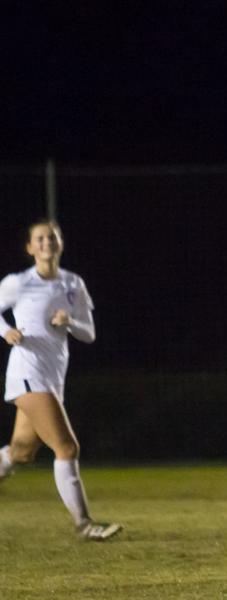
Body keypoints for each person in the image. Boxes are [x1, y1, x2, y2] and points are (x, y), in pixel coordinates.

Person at [0, 219, 121, 540]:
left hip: (53, 377)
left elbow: (89, 334)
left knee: (21, 452)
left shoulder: (73, 284)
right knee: (66, 447)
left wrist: (70, 321)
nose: (46, 243)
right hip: (27, 372)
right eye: (39, 239)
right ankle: (85, 525)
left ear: (61, 243)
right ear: (29, 248)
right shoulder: (19, 283)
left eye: (51, 237)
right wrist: (6, 331)